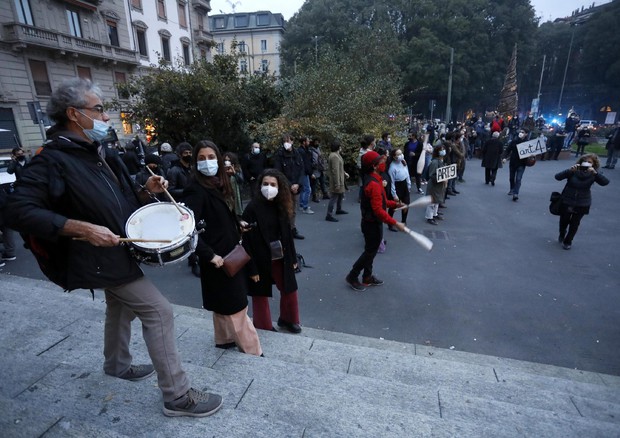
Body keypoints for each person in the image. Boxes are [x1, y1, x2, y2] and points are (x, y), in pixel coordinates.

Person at [3, 78, 222, 418]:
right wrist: (80, 228)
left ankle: (116, 365)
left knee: (120, 306)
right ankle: (177, 396)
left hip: (113, 252)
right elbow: (16, 210)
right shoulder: (51, 160)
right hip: (94, 256)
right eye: (99, 110)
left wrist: (145, 187)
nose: (106, 117)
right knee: (158, 311)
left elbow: (116, 199)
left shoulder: (95, 152)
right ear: (75, 114)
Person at [183, 140, 263, 356]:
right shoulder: (196, 189)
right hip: (218, 258)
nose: (207, 162)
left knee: (222, 303)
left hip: (229, 254)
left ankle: (224, 340)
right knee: (238, 307)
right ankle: (254, 352)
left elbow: (218, 216)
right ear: (195, 162)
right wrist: (209, 255)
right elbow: (187, 229)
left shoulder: (219, 182)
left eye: (211, 157)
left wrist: (237, 223)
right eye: (201, 158)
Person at [242, 169, 302, 334]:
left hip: (281, 256)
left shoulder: (282, 204)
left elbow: (288, 234)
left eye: (272, 184)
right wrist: (251, 268)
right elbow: (245, 240)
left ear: (279, 187)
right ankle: (263, 326)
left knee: (289, 288)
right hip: (259, 257)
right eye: (265, 184)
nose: (269, 187)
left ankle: (288, 319)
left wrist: (293, 257)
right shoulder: (252, 207)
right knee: (260, 294)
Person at [345, 150, 405, 292]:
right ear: (374, 166)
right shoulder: (374, 184)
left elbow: (382, 202)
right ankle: (352, 276)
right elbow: (378, 210)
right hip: (371, 224)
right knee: (369, 252)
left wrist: (395, 204)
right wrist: (395, 222)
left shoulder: (375, 179)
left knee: (370, 251)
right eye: (380, 162)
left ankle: (367, 277)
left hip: (371, 222)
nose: (384, 163)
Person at [554, 154, 609, 250]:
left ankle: (568, 241)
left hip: (583, 202)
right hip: (568, 199)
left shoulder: (594, 173)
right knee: (564, 220)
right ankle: (562, 233)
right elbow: (557, 177)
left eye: (590, 162)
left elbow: (605, 182)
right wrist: (569, 171)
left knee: (575, 223)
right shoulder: (574, 171)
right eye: (585, 161)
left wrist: (595, 173)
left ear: (594, 164)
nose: (587, 164)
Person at [273, 133, 305, 239]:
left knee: (293, 210)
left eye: (289, 141)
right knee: (284, 210)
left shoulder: (297, 154)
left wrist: (297, 184)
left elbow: (301, 170)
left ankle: (292, 229)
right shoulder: (279, 155)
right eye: (285, 141)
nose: (287, 143)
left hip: (296, 187)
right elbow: (279, 172)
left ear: (292, 141)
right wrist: (290, 185)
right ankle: (283, 231)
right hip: (285, 187)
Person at [387, 148, 411, 230]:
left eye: (401, 153)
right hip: (397, 187)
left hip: (404, 185)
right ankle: (390, 224)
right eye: (399, 154)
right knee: (394, 207)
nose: (401, 155)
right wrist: (394, 194)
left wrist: (409, 185)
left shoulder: (403, 162)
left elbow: (407, 174)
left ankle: (404, 221)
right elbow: (392, 182)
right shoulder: (392, 168)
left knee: (406, 204)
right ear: (394, 157)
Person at [502, 130, 529, 202]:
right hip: (513, 162)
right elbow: (507, 150)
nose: (521, 133)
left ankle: (515, 193)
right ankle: (512, 189)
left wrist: (532, 156)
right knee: (511, 177)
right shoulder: (514, 141)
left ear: (526, 134)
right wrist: (504, 157)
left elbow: (531, 153)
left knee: (518, 179)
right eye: (520, 132)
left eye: (523, 132)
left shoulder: (528, 143)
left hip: (522, 163)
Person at [325, 140, 348, 222]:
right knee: (334, 197)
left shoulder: (336, 155)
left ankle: (339, 209)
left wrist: (344, 173)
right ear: (338, 147)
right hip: (337, 180)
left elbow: (339, 167)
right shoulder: (334, 156)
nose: (341, 148)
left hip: (340, 178)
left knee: (341, 195)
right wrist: (337, 183)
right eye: (340, 146)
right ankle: (329, 214)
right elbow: (335, 170)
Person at [425, 145, 447, 225]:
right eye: (441, 150)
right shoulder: (435, 162)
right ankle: (429, 217)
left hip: (439, 184)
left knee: (436, 201)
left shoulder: (440, 160)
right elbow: (432, 175)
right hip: (434, 184)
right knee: (432, 201)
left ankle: (435, 214)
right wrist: (442, 179)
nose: (443, 151)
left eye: (444, 149)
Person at [223, 152, 244, 216]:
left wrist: (234, 173)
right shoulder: (222, 169)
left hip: (236, 194)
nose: (227, 162)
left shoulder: (238, 169)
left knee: (237, 212)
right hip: (226, 194)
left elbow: (241, 181)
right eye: (225, 160)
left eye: (229, 160)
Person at [297, 136, 314, 214]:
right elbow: (306, 164)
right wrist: (310, 173)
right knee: (307, 189)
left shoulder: (301, 150)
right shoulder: (303, 152)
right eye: (307, 141)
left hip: (302, 172)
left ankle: (301, 205)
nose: (309, 142)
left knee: (303, 189)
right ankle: (305, 207)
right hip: (304, 172)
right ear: (304, 142)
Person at [309, 138, 329, 202]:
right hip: (315, 168)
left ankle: (325, 194)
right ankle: (314, 196)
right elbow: (311, 160)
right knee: (315, 183)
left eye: (318, 142)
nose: (317, 143)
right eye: (316, 142)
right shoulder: (310, 150)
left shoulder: (318, 149)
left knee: (322, 181)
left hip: (320, 168)